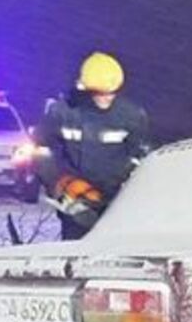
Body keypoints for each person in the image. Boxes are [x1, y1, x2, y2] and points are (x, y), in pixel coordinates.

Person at [33, 52, 152, 240]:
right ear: (85, 88)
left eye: (111, 92)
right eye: (100, 92)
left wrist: (126, 190)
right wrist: (60, 183)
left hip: (117, 204)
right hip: (75, 203)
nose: (106, 97)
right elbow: (41, 151)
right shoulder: (63, 113)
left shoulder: (131, 116)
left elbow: (143, 158)